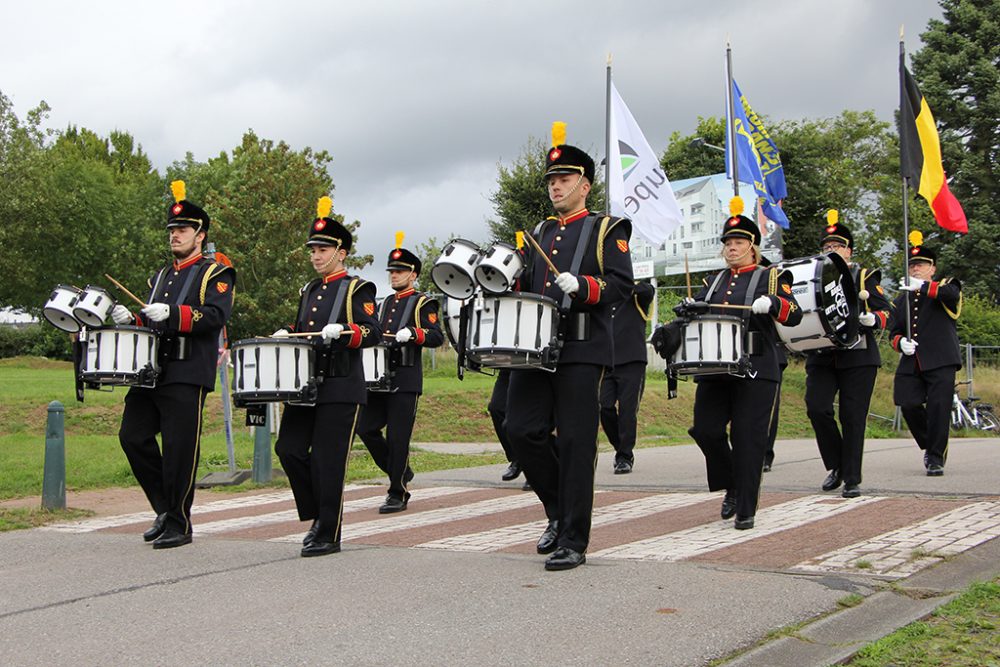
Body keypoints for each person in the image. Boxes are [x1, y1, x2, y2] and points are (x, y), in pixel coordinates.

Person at [505, 123, 633, 571]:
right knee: (520, 429)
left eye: (563, 179)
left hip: (582, 348)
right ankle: (559, 509)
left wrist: (584, 285)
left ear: (585, 184)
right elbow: (524, 282)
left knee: (578, 443)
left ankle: (574, 539)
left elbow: (621, 285)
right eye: (551, 180)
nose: (555, 186)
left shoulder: (607, 228)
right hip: (535, 349)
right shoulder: (540, 229)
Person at [112, 180, 236, 549]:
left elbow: (214, 316)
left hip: (187, 372)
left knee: (181, 449)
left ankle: (179, 523)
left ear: (201, 234)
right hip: (151, 371)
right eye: (172, 230)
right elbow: (151, 320)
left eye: (182, 230)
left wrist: (174, 314)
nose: (175, 236)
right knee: (132, 436)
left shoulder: (216, 274)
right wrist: (131, 319)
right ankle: (165, 508)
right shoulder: (161, 276)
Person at [669, 196, 801, 530]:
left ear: (752, 246)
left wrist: (772, 302)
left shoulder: (771, 276)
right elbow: (696, 311)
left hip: (757, 366)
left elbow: (794, 313)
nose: (732, 248)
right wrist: (688, 308)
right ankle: (733, 482)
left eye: (738, 242)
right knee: (705, 430)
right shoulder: (713, 281)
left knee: (748, 437)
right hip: (716, 369)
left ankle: (746, 506)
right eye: (728, 242)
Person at [272, 196, 381, 556]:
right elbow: (303, 327)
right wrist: (287, 332)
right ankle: (318, 514)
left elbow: (372, 332)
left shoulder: (357, 288)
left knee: (327, 460)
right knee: (287, 448)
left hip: (340, 385)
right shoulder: (309, 291)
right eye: (313, 250)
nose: (315, 256)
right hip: (306, 385)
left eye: (322, 249)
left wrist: (346, 331)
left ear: (341, 252)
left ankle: (328, 531)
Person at [804, 210, 892, 497]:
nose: (831, 251)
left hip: (858, 356)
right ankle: (837, 465)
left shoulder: (862, 276)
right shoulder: (813, 277)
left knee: (853, 416)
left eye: (837, 246)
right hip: (822, 354)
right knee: (817, 407)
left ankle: (852, 477)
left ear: (849, 251)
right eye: (827, 247)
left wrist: (874, 320)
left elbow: (888, 311)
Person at [357, 234, 443, 513]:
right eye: (392, 271)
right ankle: (401, 470)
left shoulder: (422, 303)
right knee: (366, 429)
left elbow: (436, 337)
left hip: (405, 378)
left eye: (400, 271)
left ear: (413, 274)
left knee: (397, 437)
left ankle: (397, 492)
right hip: (379, 378)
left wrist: (415, 333)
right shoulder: (383, 304)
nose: (394, 275)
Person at [888, 231, 962, 476]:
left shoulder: (945, 286)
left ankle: (936, 458)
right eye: (912, 266)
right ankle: (930, 445)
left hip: (941, 359)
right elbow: (893, 332)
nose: (915, 269)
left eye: (921, 265)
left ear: (933, 269)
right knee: (907, 402)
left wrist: (924, 287)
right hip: (913, 361)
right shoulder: (902, 299)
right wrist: (900, 343)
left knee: (939, 408)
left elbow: (951, 296)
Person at [600, 280, 655, 473]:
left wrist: (623, 283)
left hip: (632, 360)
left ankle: (624, 456)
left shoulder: (639, 291)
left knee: (627, 410)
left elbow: (647, 291)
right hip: (607, 360)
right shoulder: (606, 290)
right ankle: (620, 447)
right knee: (603, 406)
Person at [489, 369, 525, 483]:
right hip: (510, 365)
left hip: (539, 367)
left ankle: (538, 467)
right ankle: (517, 458)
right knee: (496, 408)